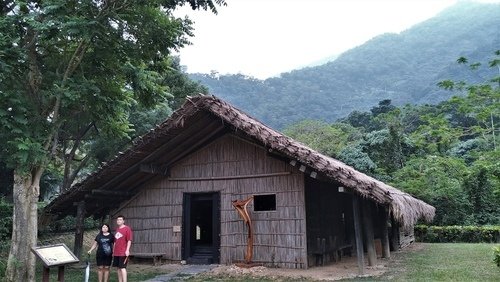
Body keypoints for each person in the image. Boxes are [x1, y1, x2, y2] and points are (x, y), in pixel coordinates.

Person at [113, 215, 133, 282]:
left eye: (120, 219)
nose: (118, 221)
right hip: (116, 252)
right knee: (118, 268)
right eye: (118, 219)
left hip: (123, 252)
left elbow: (129, 240)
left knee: (122, 268)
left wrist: (127, 250)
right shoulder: (117, 229)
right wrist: (113, 251)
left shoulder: (127, 228)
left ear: (123, 221)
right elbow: (115, 241)